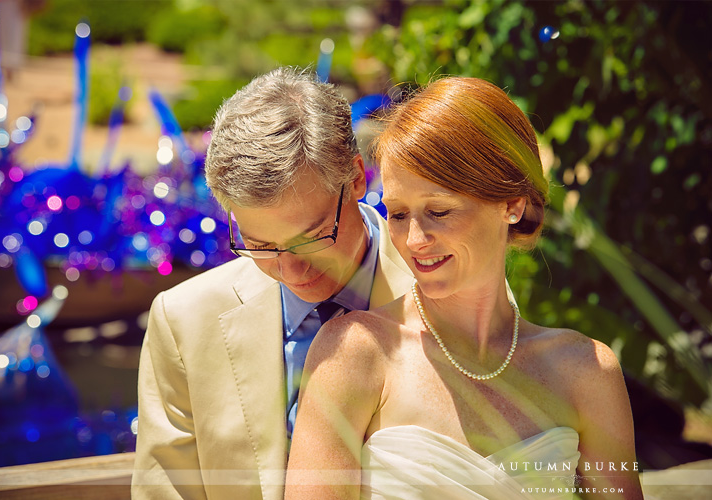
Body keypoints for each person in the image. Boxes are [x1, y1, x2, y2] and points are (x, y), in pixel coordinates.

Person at [285, 77, 643, 499]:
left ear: (513, 204)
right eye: (398, 214)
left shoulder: (588, 372)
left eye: (439, 211)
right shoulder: (354, 354)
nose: (415, 240)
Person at [131, 67, 414, 499]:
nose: (291, 270)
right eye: (259, 244)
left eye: (313, 237)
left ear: (357, 177)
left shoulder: (445, 295)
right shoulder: (183, 321)